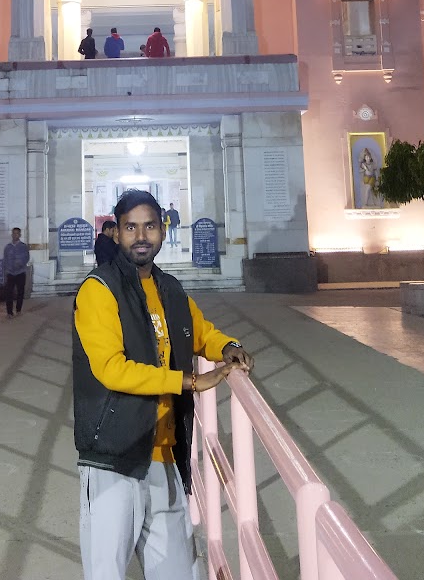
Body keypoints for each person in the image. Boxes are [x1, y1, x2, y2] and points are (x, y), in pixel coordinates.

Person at [74, 190, 253, 580]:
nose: (141, 236)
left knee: (177, 571)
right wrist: (189, 381)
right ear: (116, 233)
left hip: (166, 456)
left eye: (150, 226)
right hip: (115, 458)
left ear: (163, 229)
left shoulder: (170, 289)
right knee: (106, 573)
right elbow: (111, 369)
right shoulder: (99, 289)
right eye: (131, 227)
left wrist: (228, 346)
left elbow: (199, 332)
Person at [2, 227, 30, 318]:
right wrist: (7, 269)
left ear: (20, 235)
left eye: (17, 233)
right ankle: (9, 312)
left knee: (20, 292)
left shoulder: (23, 247)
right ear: (12, 234)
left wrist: (19, 264)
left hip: (20, 273)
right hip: (10, 273)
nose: (15, 235)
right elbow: (5, 259)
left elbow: (26, 258)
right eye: (14, 233)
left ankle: (18, 310)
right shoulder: (7, 247)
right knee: (9, 293)